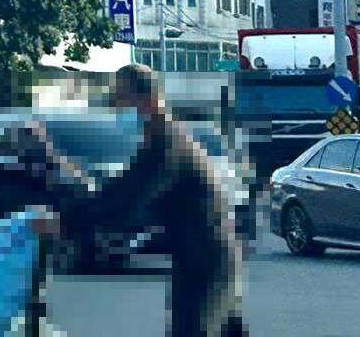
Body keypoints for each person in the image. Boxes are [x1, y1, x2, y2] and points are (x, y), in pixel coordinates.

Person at [60, 64, 245, 337]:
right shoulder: (161, 137)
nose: (115, 105)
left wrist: (66, 221)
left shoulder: (166, 143)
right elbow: (122, 188)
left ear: (146, 99)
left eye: (121, 97)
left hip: (206, 261)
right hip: (203, 255)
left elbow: (130, 200)